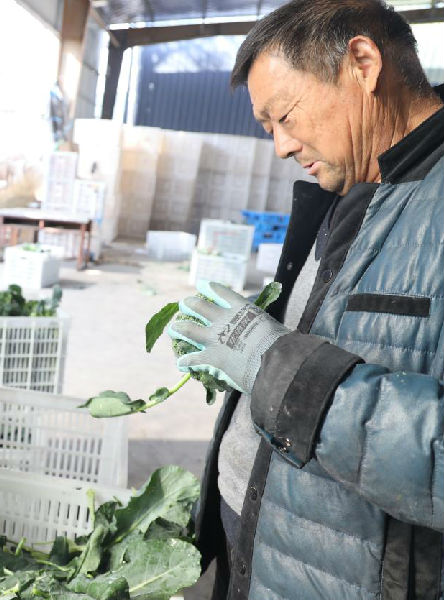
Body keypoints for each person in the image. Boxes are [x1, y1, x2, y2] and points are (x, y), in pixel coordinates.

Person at [164, 1, 444, 598]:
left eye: (283, 115)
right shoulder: (353, 181)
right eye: (267, 129)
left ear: (362, 63)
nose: (281, 147)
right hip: (256, 540)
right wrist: (249, 343)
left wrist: (275, 369)